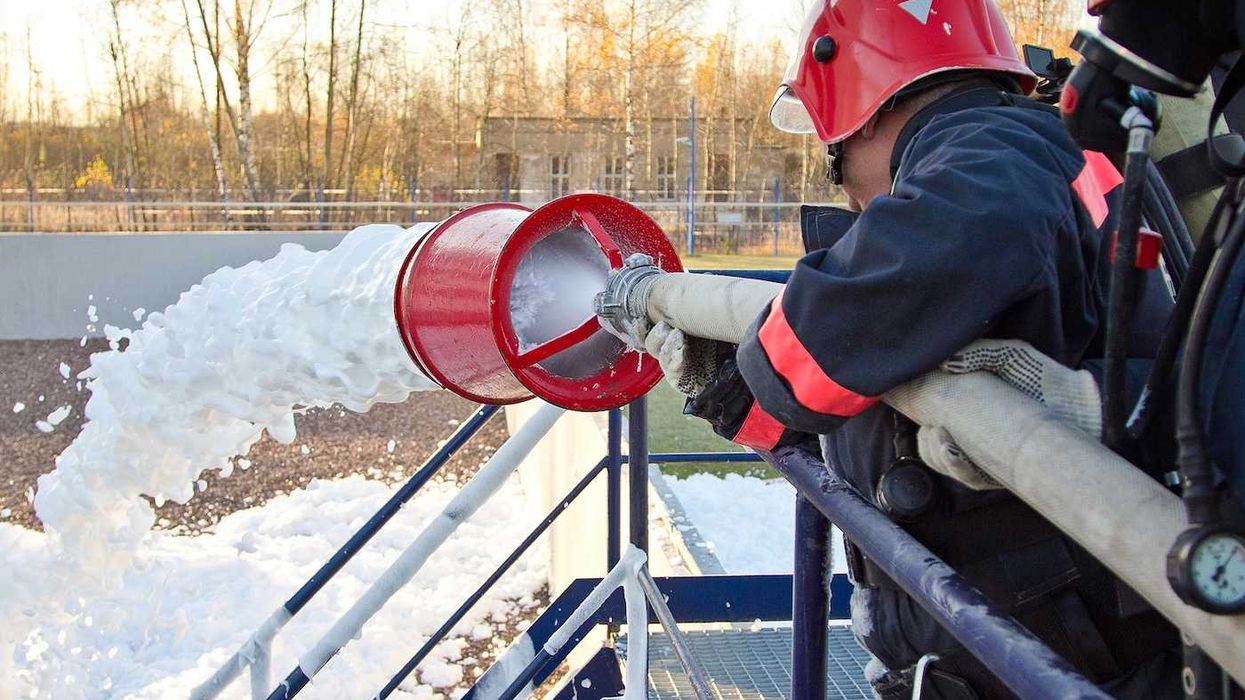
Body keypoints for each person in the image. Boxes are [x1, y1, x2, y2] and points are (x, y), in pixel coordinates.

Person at [644, 1, 1181, 697]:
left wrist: (765, 367)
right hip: (1037, 641)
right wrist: (735, 392)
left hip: (1064, 660)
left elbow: (837, 333)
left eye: (828, 148)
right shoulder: (1027, 148)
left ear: (859, 115)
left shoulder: (992, 148)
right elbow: (874, 362)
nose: (841, 185)